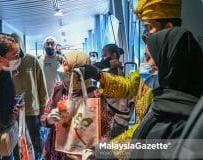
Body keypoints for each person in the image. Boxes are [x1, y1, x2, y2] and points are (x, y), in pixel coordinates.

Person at [78, 0, 185, 158]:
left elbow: (149, 131)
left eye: (149, 27)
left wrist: (109, 151)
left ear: (168, 28)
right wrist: (98, 75)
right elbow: (129, 86)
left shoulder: (179, 75)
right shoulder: (152, 64)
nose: (145, 35)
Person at [129, 27, 203, 159]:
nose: (143, 64)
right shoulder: (161, 104)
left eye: (147, 58)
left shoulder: (182, 124)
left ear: (169, 62)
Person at [40, 51, 110, 160]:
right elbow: (44, 117)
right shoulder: (59, 89)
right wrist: (49, 119)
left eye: (68, 75)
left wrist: (97, 152)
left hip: (82, 153)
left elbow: (105, 129)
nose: (65, 79)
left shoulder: (95, 95)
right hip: (57, 151)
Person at [10, 33, 48, 159]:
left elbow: (42, 86)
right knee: (15, 145)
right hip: (13, 112)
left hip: (32, 111)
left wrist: (44, 109)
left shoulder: (32, 60)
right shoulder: (6, 62)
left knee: (33, 143)